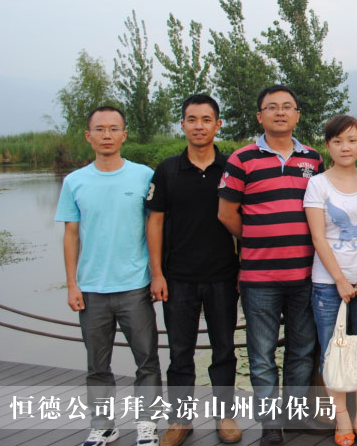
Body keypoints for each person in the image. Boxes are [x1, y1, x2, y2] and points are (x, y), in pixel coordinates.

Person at [217, 85, 329, 446]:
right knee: (262, 354)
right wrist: (257, 237)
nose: (280, 112)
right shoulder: (242, 159)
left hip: (306, 274)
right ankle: (269, 425)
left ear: (297, 114)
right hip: (259, 277)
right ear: (259, 116)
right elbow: (226, 213)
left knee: (302, 349)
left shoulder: (312, 159)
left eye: (287, 107)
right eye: (272, 107)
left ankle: (294, 417)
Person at [55, 106, 161, 446]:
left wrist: (157, 273)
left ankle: (147, 425)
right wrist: (72, 284)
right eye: (99, 129)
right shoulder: (75, 181)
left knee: (147, 361)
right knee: (97, 365)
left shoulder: (144, 176)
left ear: (124, 135)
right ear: (88, 136)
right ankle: (103, 426)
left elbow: (155, 226)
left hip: (135, 286)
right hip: (91, 290)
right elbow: (71, 235)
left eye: (114, 129)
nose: (106, 135)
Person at [145, 94, 241, 446]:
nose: (199, 126)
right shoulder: (167, 170)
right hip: (179, 278)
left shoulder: (232, 168)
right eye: (192, 119)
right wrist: (157, 273)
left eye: (206, 119)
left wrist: (244, 268)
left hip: (223, 276)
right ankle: (180, 419)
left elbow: (244, 221)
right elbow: (155, 222)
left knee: (224, 349)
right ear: (182, 124)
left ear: (218, 125)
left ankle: (225, 415)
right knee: (180, 352)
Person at [303, 114, 357, 446]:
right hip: (327, 283)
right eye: (337, 141)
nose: (345, 147)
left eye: (351, 140)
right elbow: (318, 238)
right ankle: (343, 418)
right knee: (331, 352)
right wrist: (338, 280)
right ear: (328, 146)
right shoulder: (317, 184)